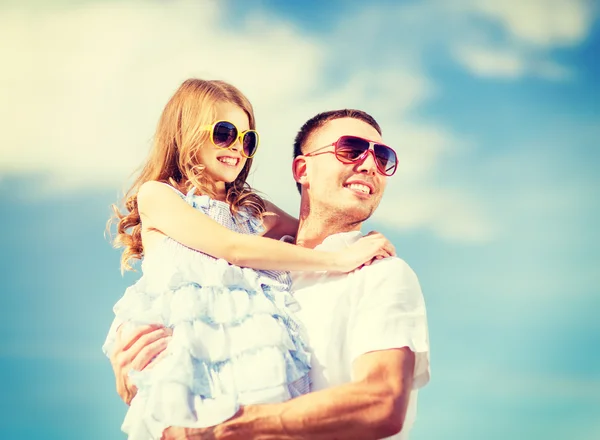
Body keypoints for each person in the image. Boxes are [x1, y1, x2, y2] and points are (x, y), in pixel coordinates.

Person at [109, 107, 430, 440]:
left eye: (384, 157)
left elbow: (379, 402)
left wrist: (225, 428)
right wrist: (146, 385)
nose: (368, 164)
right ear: (303, 169)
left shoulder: (379, 273)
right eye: (350, 150)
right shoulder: (243, 279)